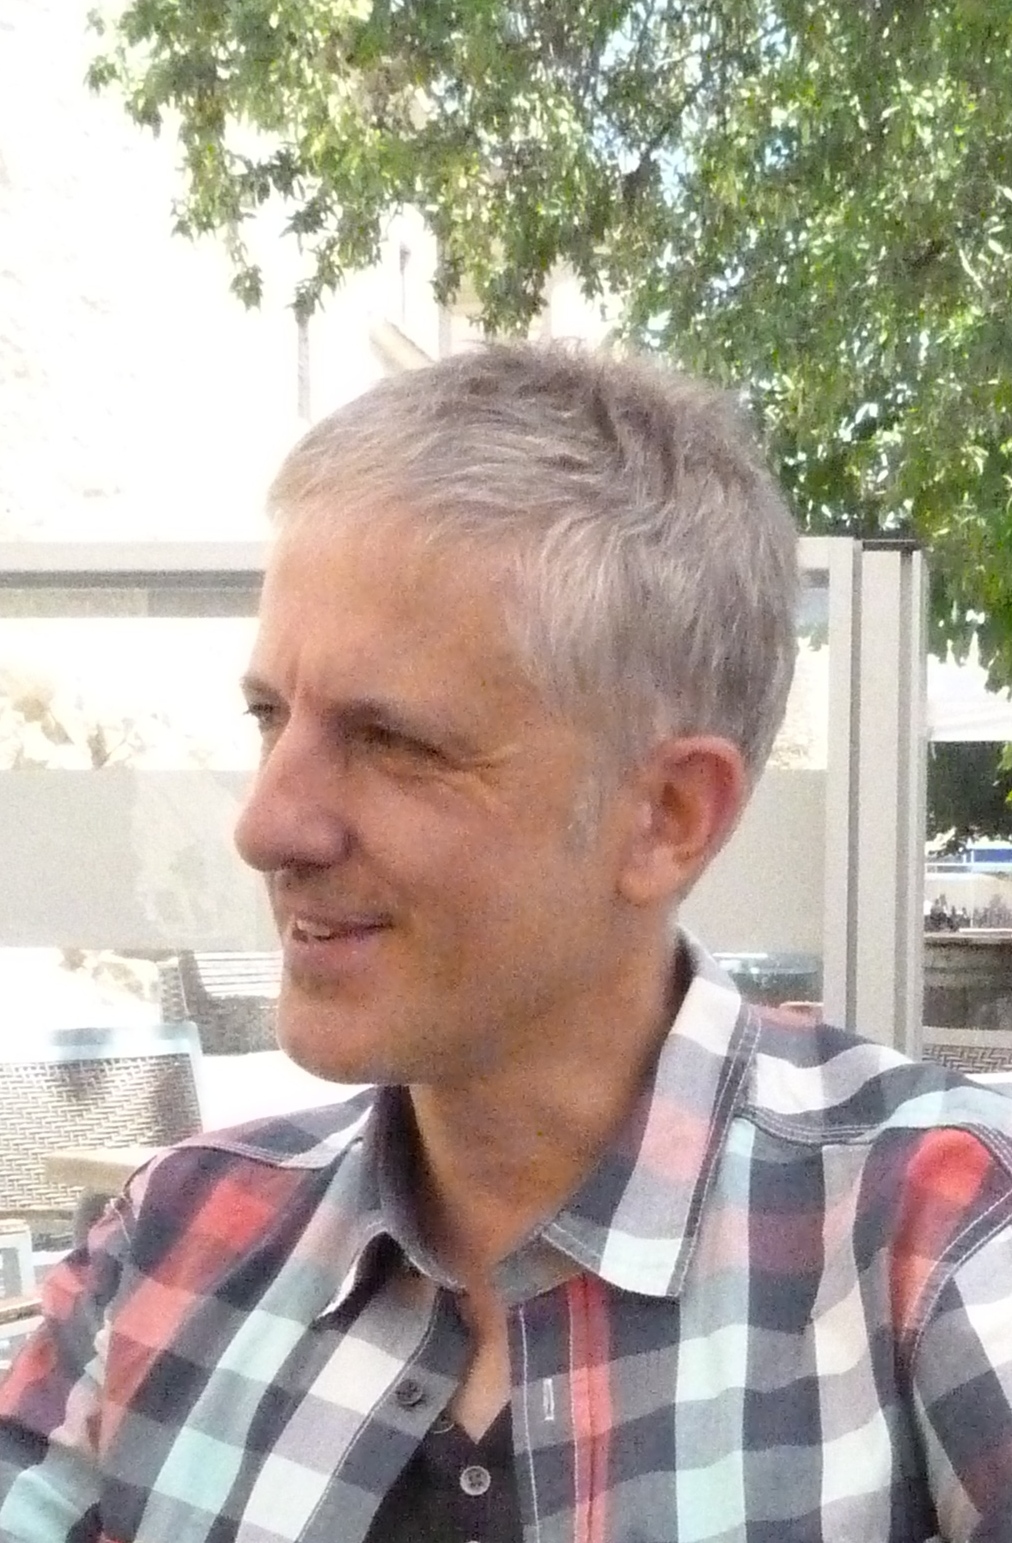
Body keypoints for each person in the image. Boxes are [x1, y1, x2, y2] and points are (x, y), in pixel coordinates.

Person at [2, 342, 1012, 1543]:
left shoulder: (933, 1240)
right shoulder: (177, 1238)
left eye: (393, 741)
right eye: (270, 715)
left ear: (665, 816)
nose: (266, 823)